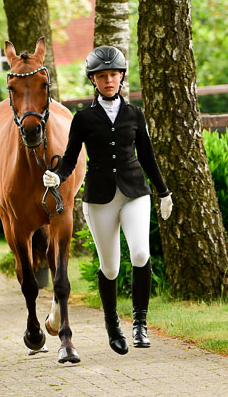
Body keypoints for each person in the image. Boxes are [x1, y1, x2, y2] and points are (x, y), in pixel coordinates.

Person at [43, 45, 172, 355]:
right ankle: (112, 325)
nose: (109, 80)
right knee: (110, 268)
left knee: (140, 254)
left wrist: (164, 191)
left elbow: (148, 156)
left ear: (122, 77)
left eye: (114, 74)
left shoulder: (134, 114)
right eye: (102, 76)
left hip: (135, 194)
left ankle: (140, 324)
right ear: (94, 80)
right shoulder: (84, 118)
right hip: (99, 199)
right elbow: (71, 158)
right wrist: (56, 177)